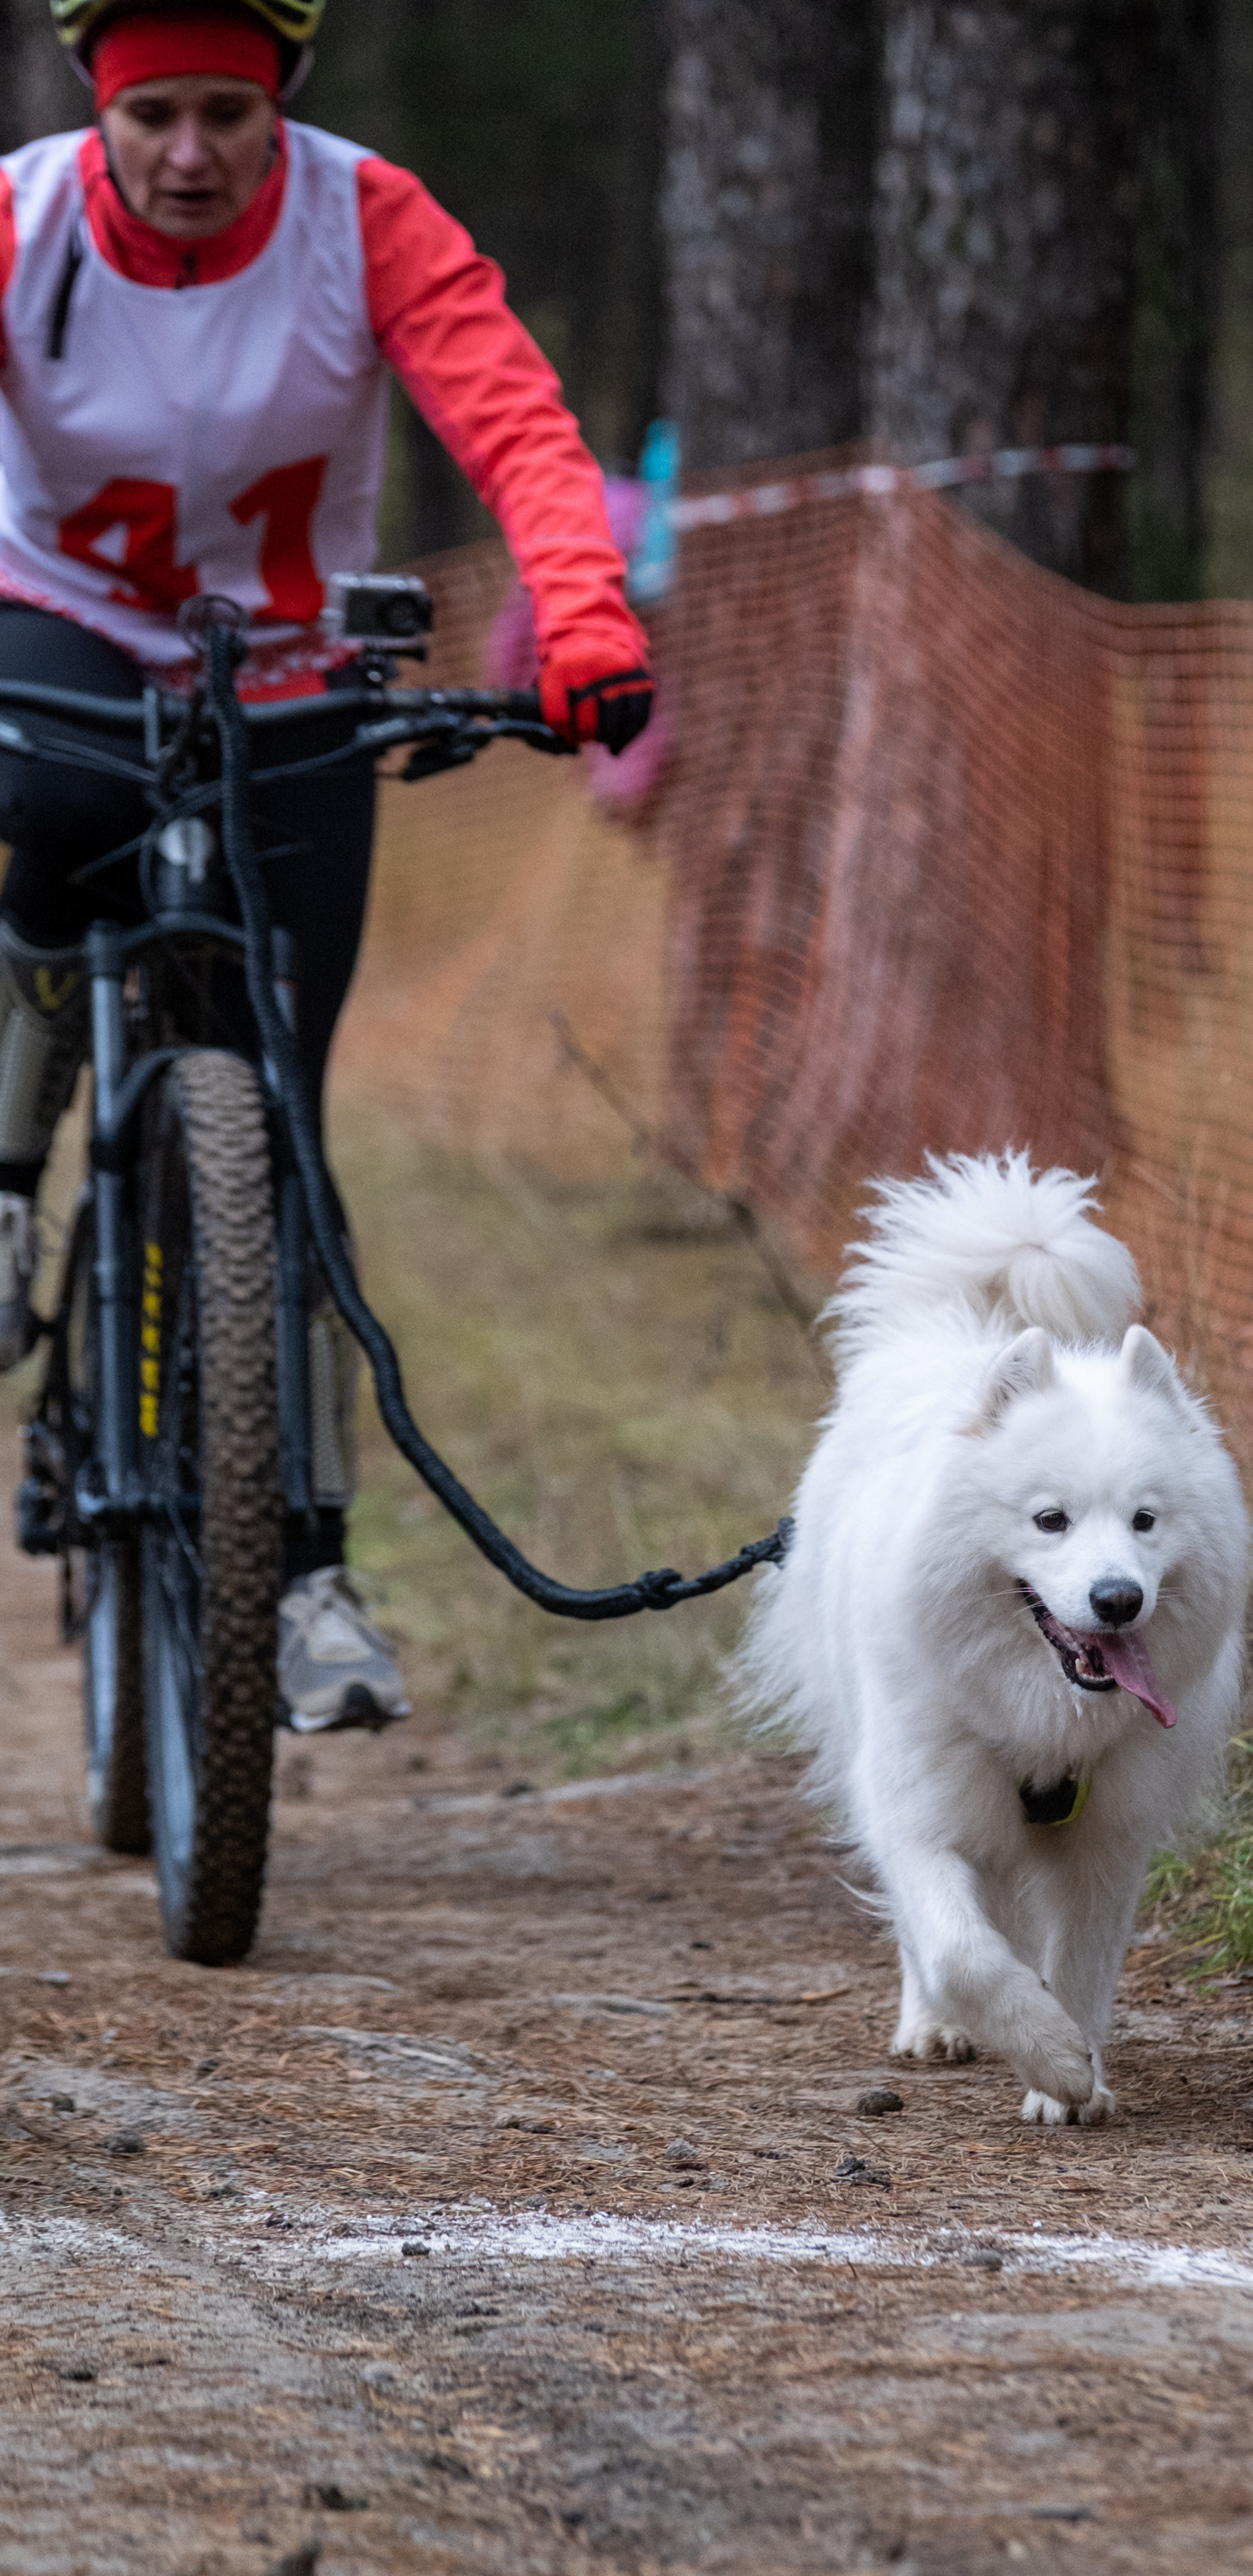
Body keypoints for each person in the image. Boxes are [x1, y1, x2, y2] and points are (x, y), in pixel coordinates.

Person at [0, 0, 653, 1728]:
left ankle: (304, 1580)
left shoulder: (367, 217)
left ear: (280, 97)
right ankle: (8, 1172)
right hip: (57, 623)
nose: (193, 154)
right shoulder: (23, 218)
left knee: (275, 1112)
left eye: (229, 110)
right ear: (101, 108)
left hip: (289, 667)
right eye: (158, 117)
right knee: (52, 827)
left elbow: (512, 418)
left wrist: (580, 612)